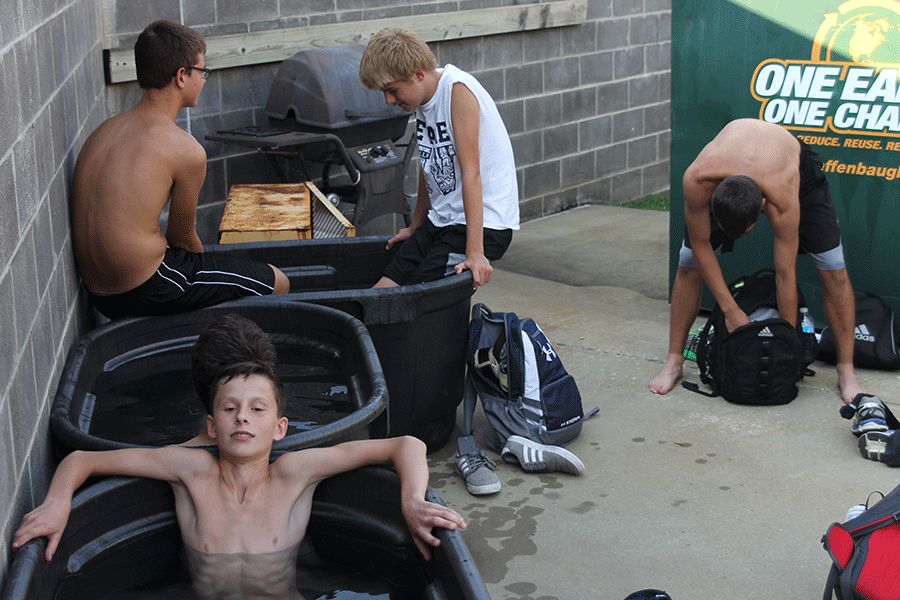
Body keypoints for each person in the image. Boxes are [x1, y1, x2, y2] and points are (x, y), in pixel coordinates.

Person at [12, 314, 465, 600]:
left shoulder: (294, 472)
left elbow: (407, 445)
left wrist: (410, 502)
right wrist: (56, 504)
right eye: (229, 409)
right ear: (211, 424)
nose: (242, 419)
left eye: (257, 410)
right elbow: (80, 460)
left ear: (280, 427)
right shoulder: (189, 469)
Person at [648, 119, 873, 411]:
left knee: (833, 267)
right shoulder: (697, 180)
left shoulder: (782, 198)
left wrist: (786, 343)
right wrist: (731, 311)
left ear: (763, 206)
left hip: (790, 163)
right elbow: (701, 246)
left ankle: (846, 369)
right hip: (734, 160)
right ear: (715, 202)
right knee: (688, 261)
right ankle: (674, 360)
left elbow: (784, 274)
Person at [71, 20, 289, 320]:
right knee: (278, 281)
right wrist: (207, 267)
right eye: (203, 71)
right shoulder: (185, 150)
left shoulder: (102, 132)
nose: (204, 79)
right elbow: (183, 240)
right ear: (181, 76)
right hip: (145, 287)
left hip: (98, 295)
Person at [359, 28, 519, 288]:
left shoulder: (457, 91)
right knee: (384, 289)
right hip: (444, 219)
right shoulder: (421, 100)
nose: (389, 100)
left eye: (392, 90)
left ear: (418, 75)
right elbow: (430, 165)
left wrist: (475, 252)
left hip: (482, 226)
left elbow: (472, 174)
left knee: (415, 298)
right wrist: (415, 227)